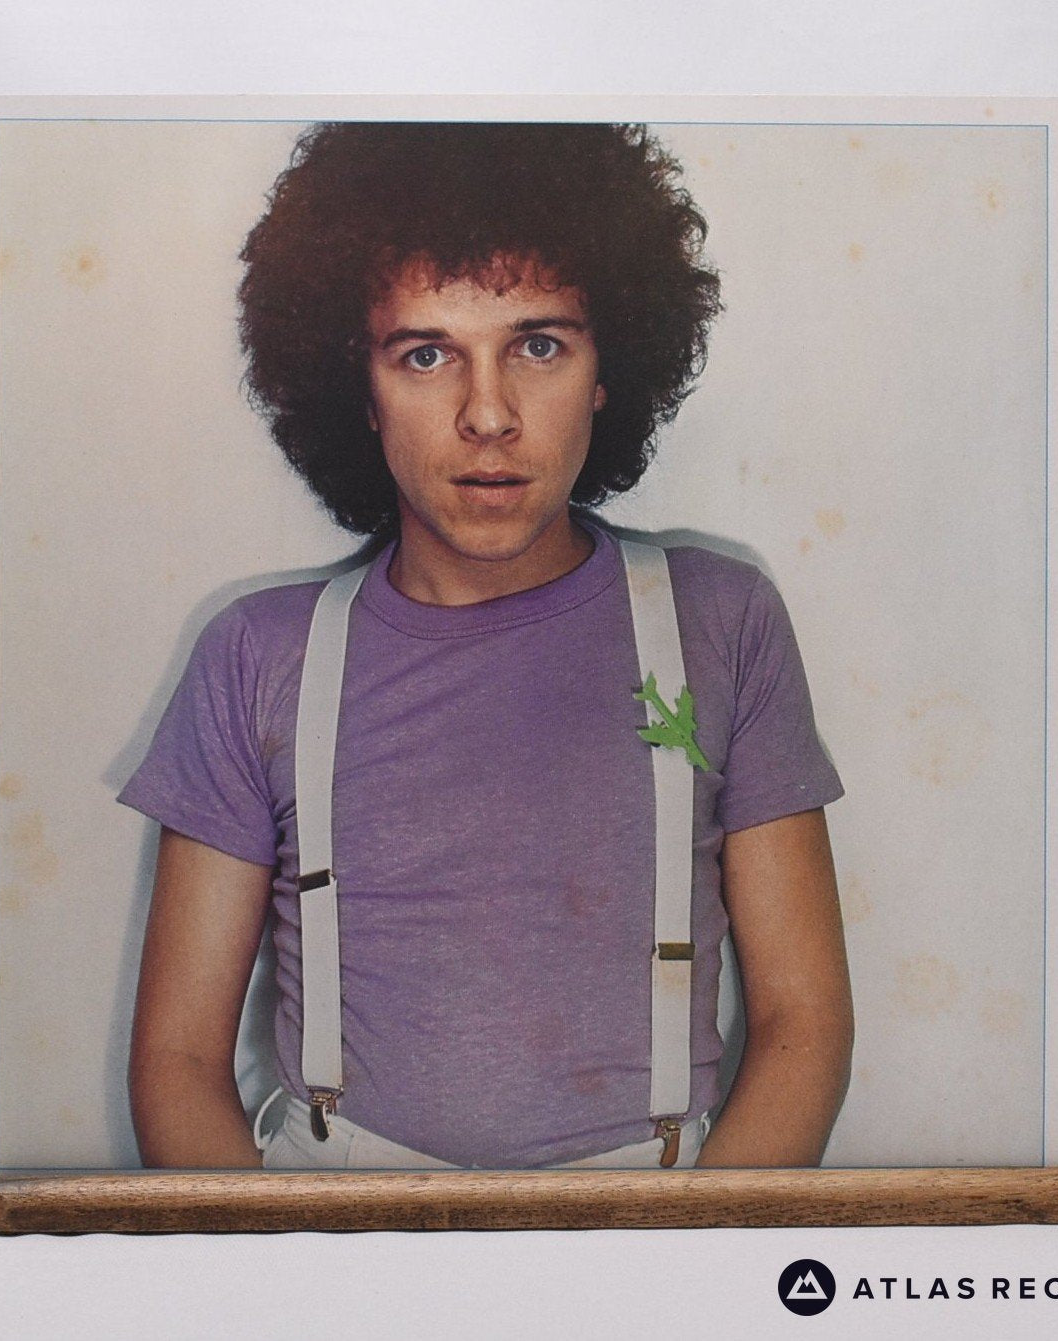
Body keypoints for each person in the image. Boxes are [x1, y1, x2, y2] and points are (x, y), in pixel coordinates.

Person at [119, 122, 852, 1171]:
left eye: (537, 345)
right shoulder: (256, 656)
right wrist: (275, 1261)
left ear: (607, 370)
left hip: (657, 1213)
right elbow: (179, 1061)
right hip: (330, 1214)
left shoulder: (720, 620)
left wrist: (695, 1248)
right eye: (426, 355)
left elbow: (803, 1028)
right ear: (358, 388)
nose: (489, 415)